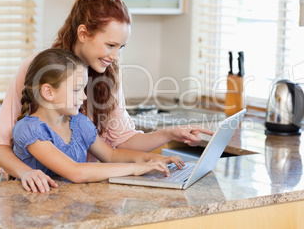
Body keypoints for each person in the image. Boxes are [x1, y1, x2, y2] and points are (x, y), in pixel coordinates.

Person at [0, 0, 213, 193]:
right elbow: (1, 147)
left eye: (121, 47)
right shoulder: (38, 70)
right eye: (110, 45)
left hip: (80, 190)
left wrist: (168, 136)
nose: (115, 56)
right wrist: (26, 172)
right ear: (83, 33)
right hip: (32, 189)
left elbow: (117, 145)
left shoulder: (107, 79)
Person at [13, 48, 184, 184]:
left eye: (83, 89)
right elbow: (75, 172)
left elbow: (110, 155)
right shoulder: (31, 130)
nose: (84, 97)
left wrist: (155, 159)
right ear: (48, 92)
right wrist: (135, 168)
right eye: (76, 90)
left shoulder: (78, 123)